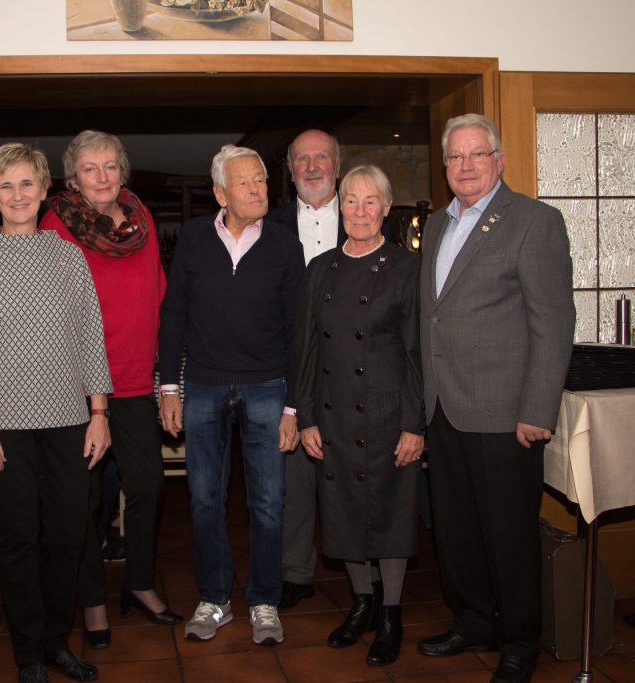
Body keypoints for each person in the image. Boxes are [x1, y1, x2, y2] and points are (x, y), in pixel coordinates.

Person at [0, 143, 112, 683]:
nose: (18, 195)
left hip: (68, 423)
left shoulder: (68, 257)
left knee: (68, 538)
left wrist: (99, 412)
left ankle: (56, 641)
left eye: (27, 184)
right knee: (18, 542)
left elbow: (90, 338)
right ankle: (28, 654)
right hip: (1, 428)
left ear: (44, 191)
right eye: (6, 185)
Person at [416, 114, 575, 683]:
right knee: (456, 531)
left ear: (499, 161)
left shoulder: (534, 221)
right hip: (443, 408)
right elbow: (433, 316)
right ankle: (473, 621)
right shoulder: (436, 224)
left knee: (508, 535)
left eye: (476, 154)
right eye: (455, 157)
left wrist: (538, 410)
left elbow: (553, 324)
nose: (465, 166)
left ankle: (520, 641)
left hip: (506, 414)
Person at [40, 130, 182, 649]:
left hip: (134, 379)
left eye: (110, 166)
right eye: (89, 168)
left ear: (123, 171)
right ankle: (93, 599)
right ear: (73, 179)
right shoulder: (56, 224)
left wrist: (166, 376)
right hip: (77, 387)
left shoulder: (141, 220)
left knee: (147, 485)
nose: (102, 177)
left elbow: (158, 293)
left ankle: (139, 583)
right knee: (82, 500)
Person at [158, 144, 305, 646]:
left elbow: (297, 330)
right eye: (244, 182)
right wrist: (170, 387)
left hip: (268, 386)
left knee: (268, 502)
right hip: (203, 385)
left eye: (260, 180)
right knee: (203, 499)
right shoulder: (195, 238)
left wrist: (292, 405)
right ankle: (215, 598)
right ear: (221, 193)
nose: (257, 189)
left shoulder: (285, 245)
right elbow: (173, 312)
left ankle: (264, 600)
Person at [293, 164, 423, 666]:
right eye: (351, 200)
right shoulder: (319, 269)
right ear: (339, 207)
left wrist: (414, 423)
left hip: (387, 413)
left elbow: (416, 354)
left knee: (390, 512)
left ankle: (391, 612)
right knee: (343, 509)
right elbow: (306, 350)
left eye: (372, 201)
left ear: (387, 208)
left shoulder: (407, 268)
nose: (361, 211)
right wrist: (306, 416)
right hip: (333, 412)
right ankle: (362, 602)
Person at [267, 128, 345, 610]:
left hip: (353, 369)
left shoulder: (364, 217)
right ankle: (295, 571)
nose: (312, 167)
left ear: (337, 164)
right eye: (302, 159)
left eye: (321, 158)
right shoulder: (269, 225)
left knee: (351, 475)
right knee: (292, 479)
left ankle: (362, 570)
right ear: (290, 170)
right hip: (289, 370)